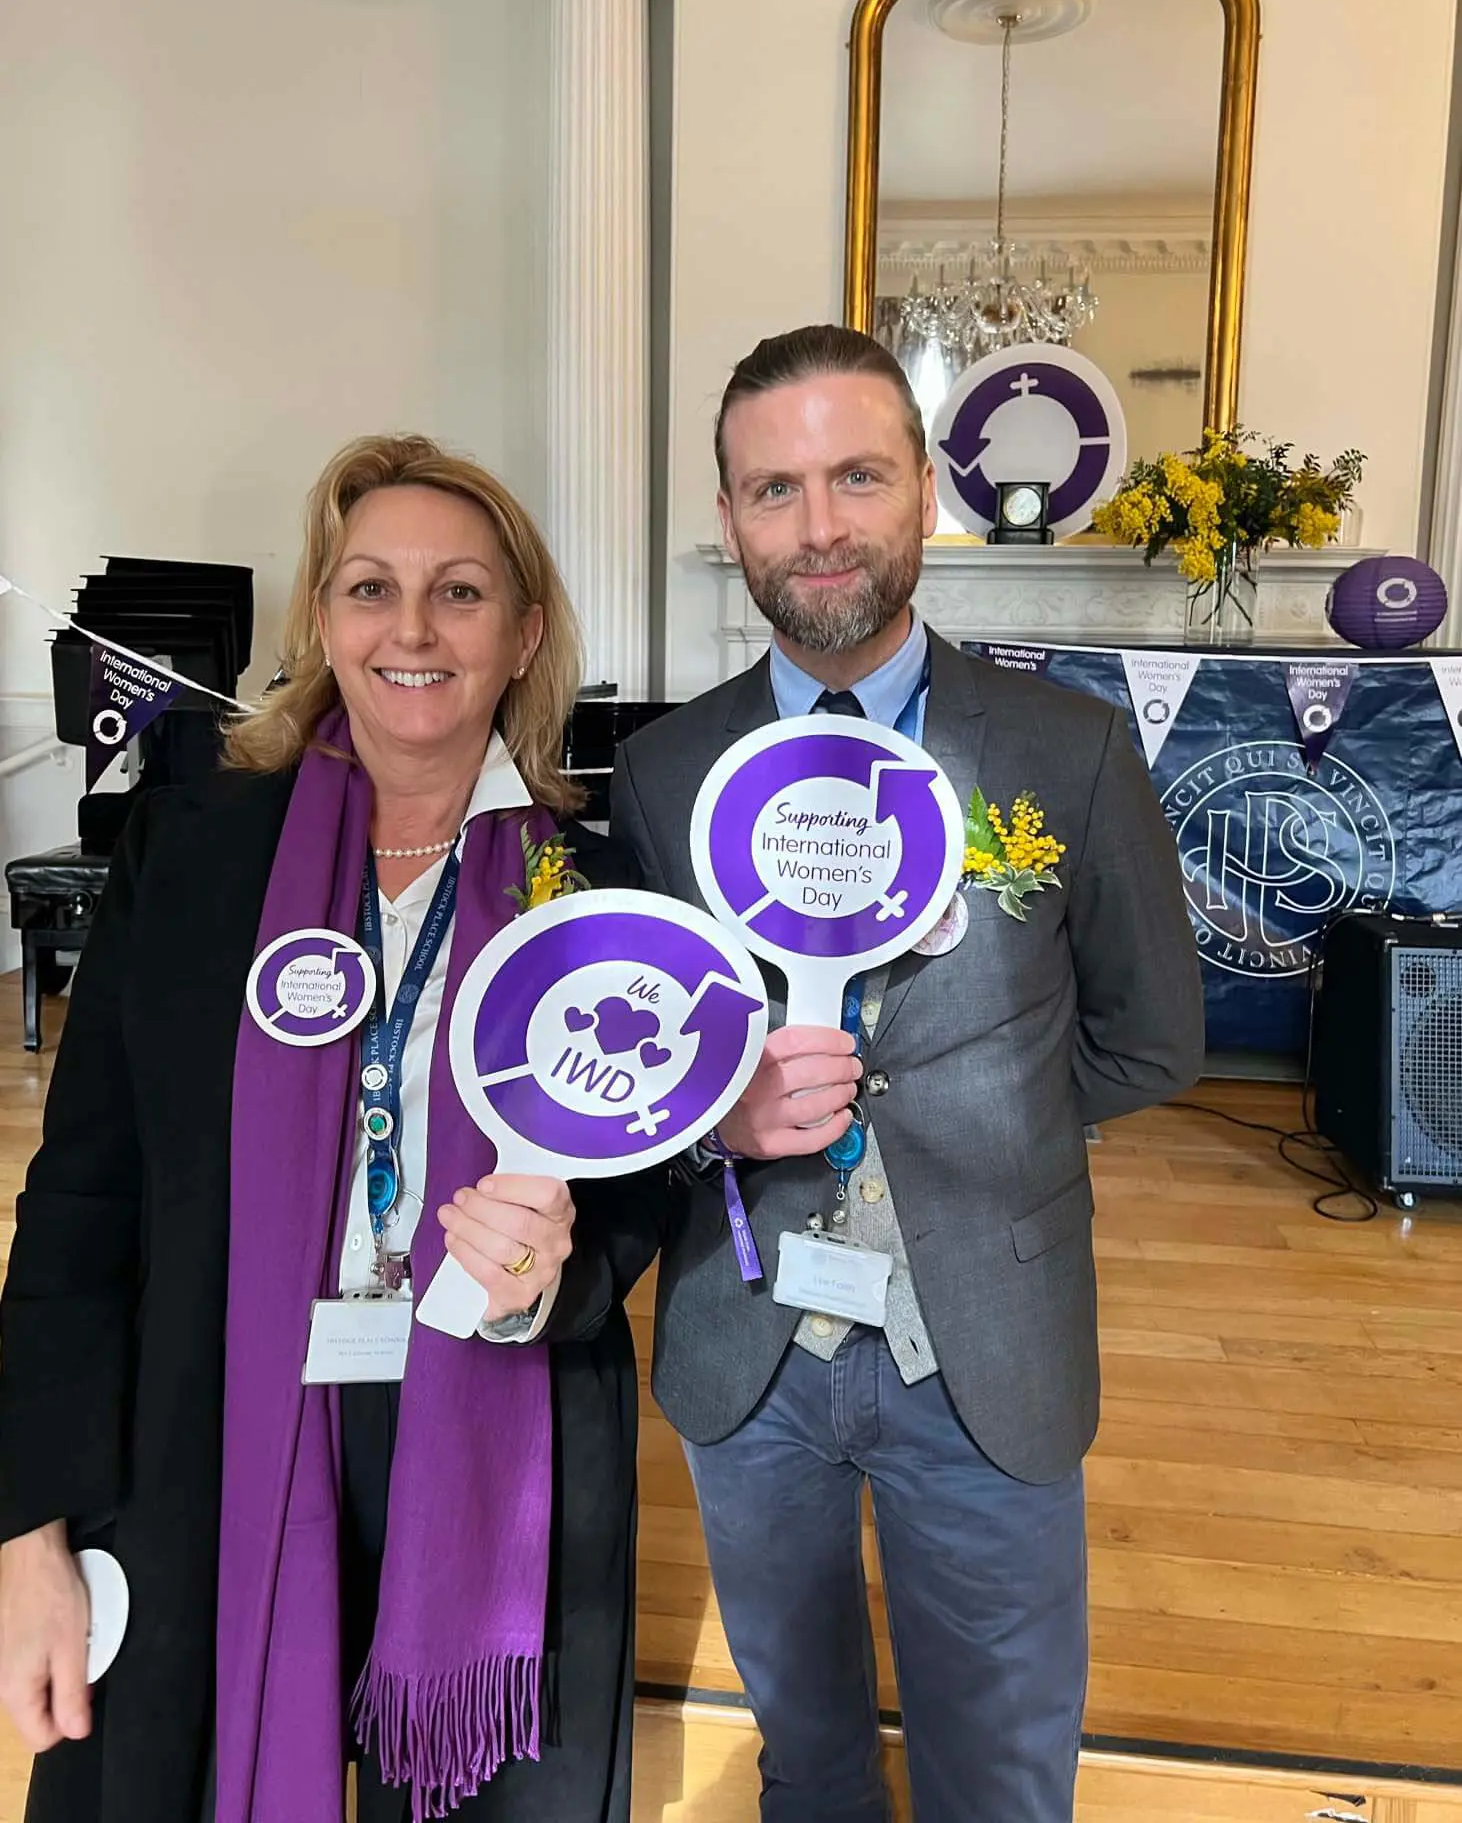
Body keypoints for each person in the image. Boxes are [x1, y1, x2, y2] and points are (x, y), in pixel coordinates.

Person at [0, 435, 666, 1823]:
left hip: (495, 1436)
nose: (410, 630)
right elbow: (81, 1200)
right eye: (370, 588)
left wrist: (566, 1265)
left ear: (525, 631)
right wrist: (28, 1529)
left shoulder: (596, 883)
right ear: (321, 619)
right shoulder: (188, 858)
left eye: (460, 593)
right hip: (205, 1433)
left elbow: (637, 1190)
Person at [611, 326, 1205, 1823]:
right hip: (748, 1358)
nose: (818, 528)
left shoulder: (1062, 751)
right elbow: (636, 1059)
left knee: (1000, 1771)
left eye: (856, 476)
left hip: (987, 1347)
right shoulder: (664, 773)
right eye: (773, 489)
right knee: (801, 1755)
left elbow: (1150, 1035)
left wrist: (976, 1121)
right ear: (731, 517)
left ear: (927, 492)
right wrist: (714, 1123)